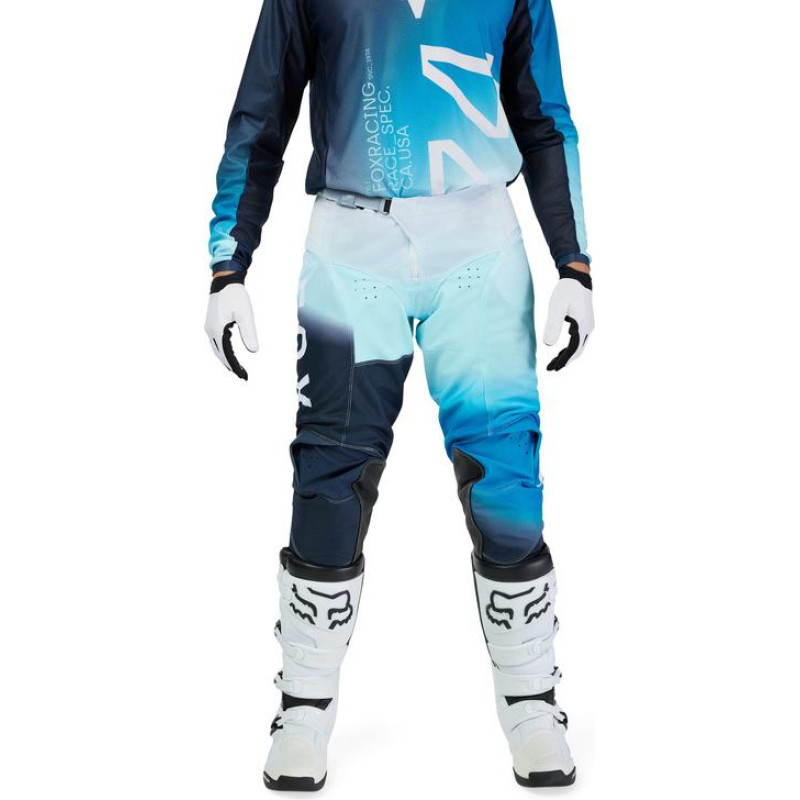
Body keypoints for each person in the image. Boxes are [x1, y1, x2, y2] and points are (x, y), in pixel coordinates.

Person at [204, 0, 594, 790]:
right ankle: (304, 706)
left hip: (479, 239)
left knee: (505, 472)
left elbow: (544, 117)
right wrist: (227, 263)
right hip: (352, 244)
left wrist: (575, 264)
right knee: (330, 470)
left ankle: (530, 700)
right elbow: (261, 112)